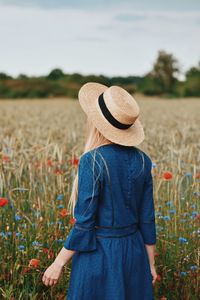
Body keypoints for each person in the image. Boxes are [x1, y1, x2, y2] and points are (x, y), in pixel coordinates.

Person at [42, 82, 158, 299]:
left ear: (96, 122)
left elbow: (85, 223)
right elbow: (147, 218)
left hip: (99, 256)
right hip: (134, 254)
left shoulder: (92, 161)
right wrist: (150, 263)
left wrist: (58, 263)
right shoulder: (144, 160)